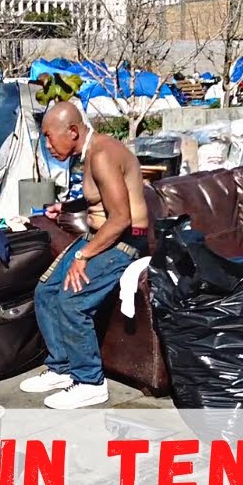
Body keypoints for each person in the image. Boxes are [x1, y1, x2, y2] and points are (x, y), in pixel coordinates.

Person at [20, 102, 149, 410]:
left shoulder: (103, 155)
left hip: (124, 242)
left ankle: (90, 383)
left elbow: (121, 218)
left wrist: (83, 256)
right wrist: (67, 207)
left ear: (73, 131)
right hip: (99, 238)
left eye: (49, 137)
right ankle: (62, 368)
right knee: (46, 290)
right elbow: (100, 198)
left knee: (71, 301)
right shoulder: (91, 152)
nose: (47, 145)